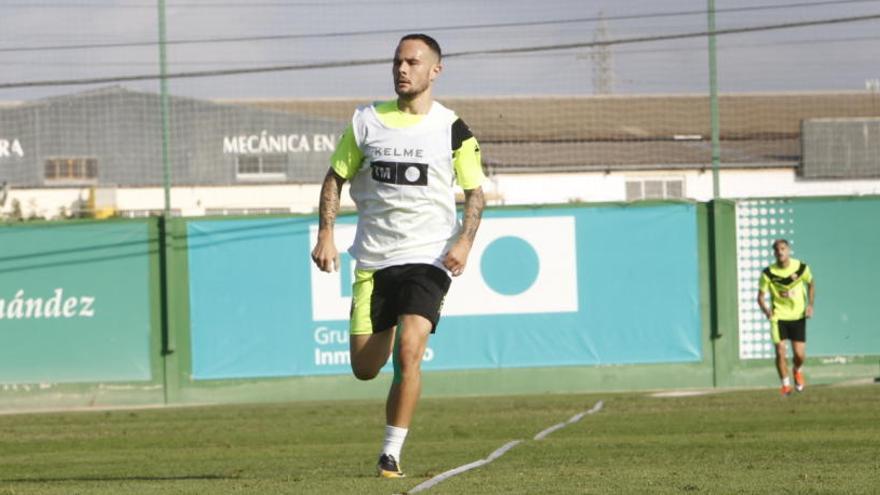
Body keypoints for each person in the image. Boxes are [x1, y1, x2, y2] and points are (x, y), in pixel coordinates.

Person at [310, 33, 485, 478]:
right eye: (397, 62)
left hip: (429, 257)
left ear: (435, 71)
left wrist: (464, 241)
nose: (402, 70)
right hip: (374, 258)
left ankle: (391, 453)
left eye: (412, 62)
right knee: (366, 368)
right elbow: (335, 178)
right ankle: (383, 369)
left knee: (411, 350)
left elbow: (475, 192)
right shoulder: (366, 121)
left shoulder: (452, 128)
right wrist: (326, 234)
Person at [757, 239, 815, 396]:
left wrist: (810, 305)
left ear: (788, 250)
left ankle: (797, 370)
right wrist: (767, 311)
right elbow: (760, 297)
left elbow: (811, 283)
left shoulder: (801, 267)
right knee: (780, 350)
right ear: (774, 253)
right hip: (779, 317)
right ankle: (785, 384)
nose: (780, 252)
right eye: (777, 250)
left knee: (799, 354)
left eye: (783, 248)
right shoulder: (768, 273)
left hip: (797, 316)